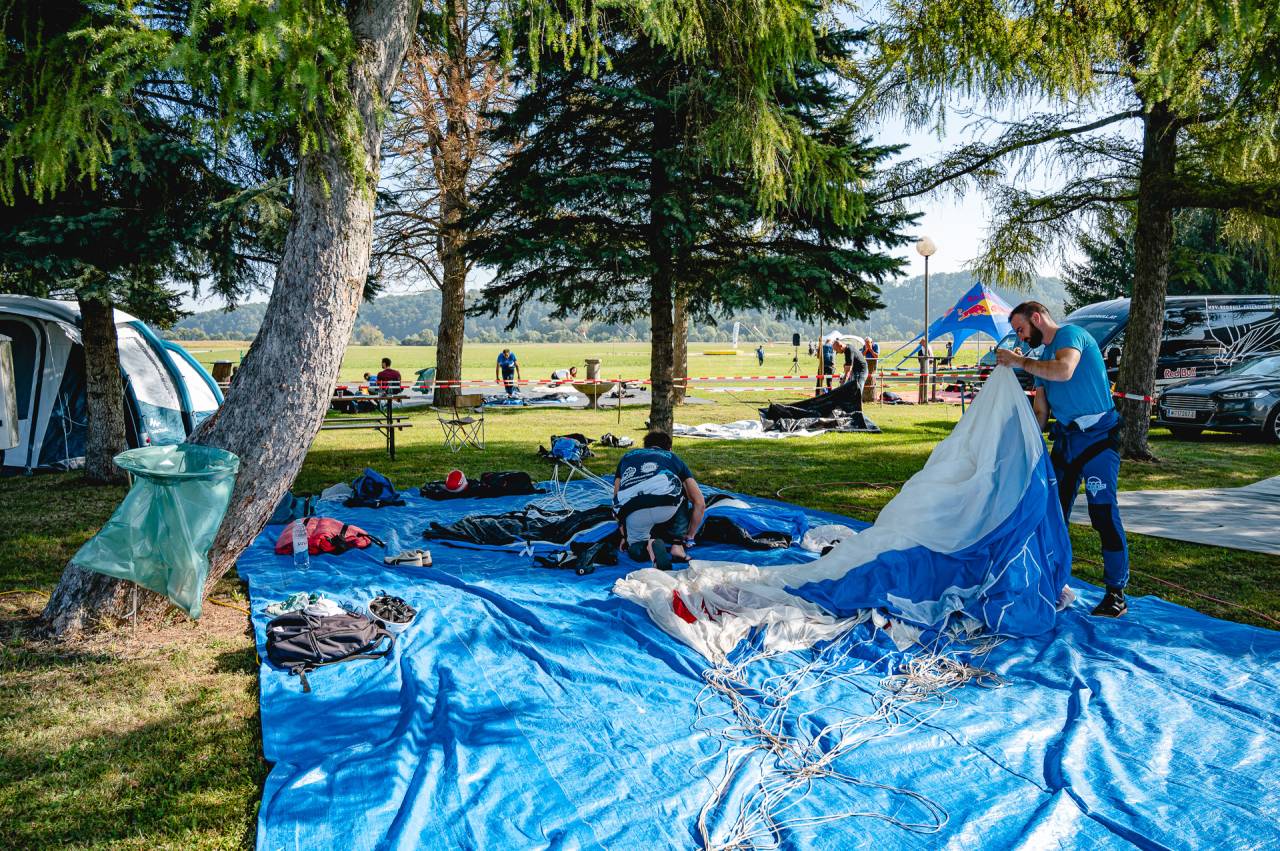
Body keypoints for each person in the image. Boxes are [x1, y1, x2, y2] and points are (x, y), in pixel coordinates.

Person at [997, 301, 1129, 618]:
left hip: (1099, 440)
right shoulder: (1041, 358)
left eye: (1021, 329)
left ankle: (1116, 593)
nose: (1020, 336)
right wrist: (1024, 442)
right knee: (1052, 513)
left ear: (1037, 318)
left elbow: (1065, 370)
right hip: (1068, 442)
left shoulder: (1070, 335)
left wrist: (1020, 361)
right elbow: (1041, 411)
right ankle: (1054, 584)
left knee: (1103, 514)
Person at [614, 431, 706, 569]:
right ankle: (677, 546)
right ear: (669, 449)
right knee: (680, 487)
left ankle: (645, 547)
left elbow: (617, 499)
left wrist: (624, 535)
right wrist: (690, 535)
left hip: (634, 509)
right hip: (665, 505)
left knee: (636, 546)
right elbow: (699, 502)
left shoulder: (627, 457)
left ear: (645, 447)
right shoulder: (672, 457)